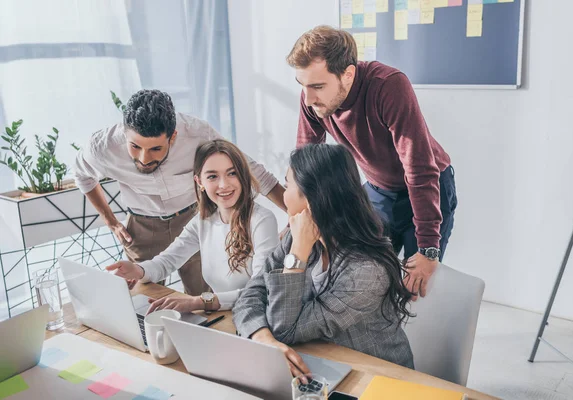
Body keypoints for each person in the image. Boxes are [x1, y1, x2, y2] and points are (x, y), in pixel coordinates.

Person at [287, 26, 458, 299]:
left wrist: (427, 250)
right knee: (365, 279)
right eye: (303, 86)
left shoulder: (388, 85)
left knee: (412, 289)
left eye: (318, 86)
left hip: (427, 185)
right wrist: (295, 220)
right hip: (378, 190)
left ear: (348, 74)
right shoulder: (312, 98)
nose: (308, 99)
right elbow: (306, 161)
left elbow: (419, 169)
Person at [74, 89, 286, 295]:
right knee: (143, 297)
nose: (144, 159)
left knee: (202, 295)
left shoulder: (198, 133)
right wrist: (110, 221)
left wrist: (298, 212)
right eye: (135, 147)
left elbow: (250, 169)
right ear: (124, 132)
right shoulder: (102, 147)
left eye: (156, 149)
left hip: (191, 216)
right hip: (141, 226)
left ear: (172, 137)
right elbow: (82, 176)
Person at [232, 143, 414, 376]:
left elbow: (284, 328)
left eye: (287, 185)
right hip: (322, 363)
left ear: (311, 199)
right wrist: (262, 337)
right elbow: (252, 292)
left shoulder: (366, 271)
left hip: (375, 378)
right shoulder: (295, 236)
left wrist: (298, 253)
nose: (283, 195)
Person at [105, 139, 279, 313]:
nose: (224, 184)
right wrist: (137, 270)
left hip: (256, 317)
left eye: (232, 173)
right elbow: (168, 260)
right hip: (224, 315)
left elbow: (260, 290)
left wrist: (200, 302)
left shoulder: (262, 220)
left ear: (243, 175)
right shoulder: (203, 221)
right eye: (212, 176)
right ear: (199, 181)